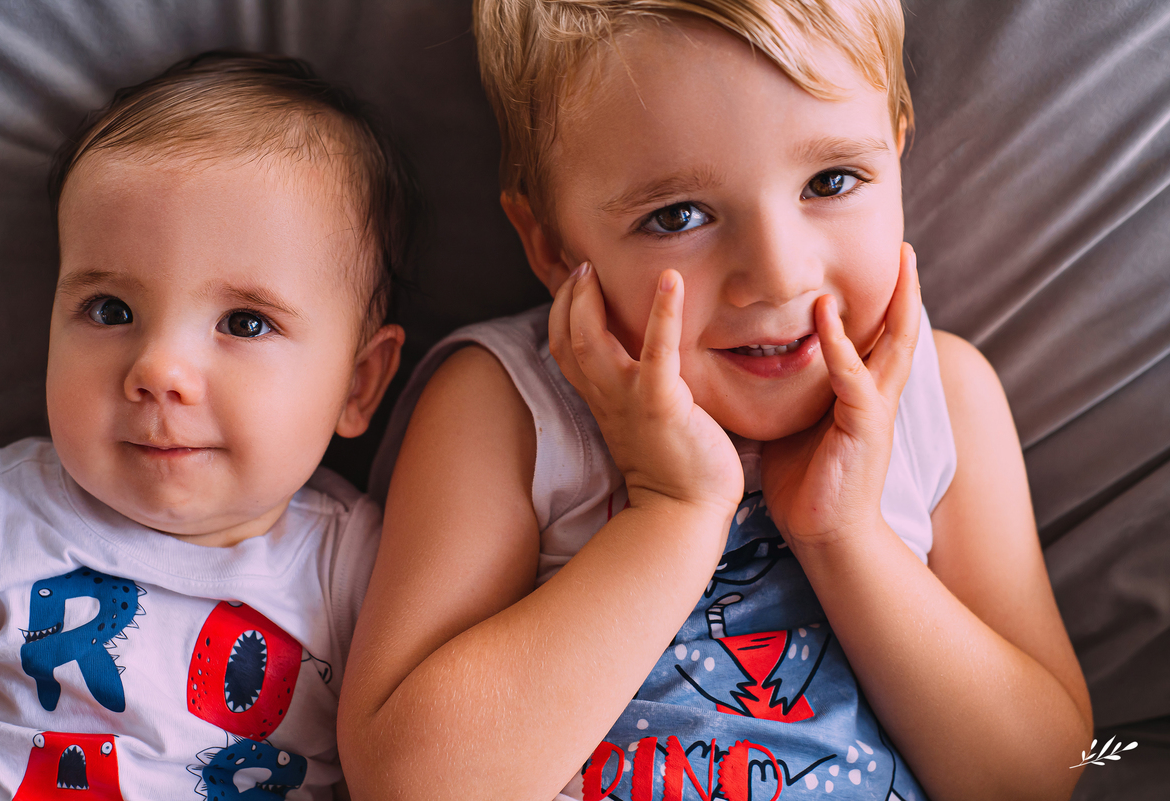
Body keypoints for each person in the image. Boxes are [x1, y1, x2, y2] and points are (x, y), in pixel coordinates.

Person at [338, 1, 1092, 799]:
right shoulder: (507, 409)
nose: (777, 274)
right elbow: (409, 782)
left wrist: (845, 534)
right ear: (553, 248)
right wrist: (673, 514)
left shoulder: (945, 401)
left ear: (898, 149)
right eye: (678, 216)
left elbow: (1044, 773)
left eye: (832, 180)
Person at [0, 52, 417, 799]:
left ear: (358, 382)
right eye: (111, 310)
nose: (160, 369)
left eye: (245, 321)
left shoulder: (362, 568)